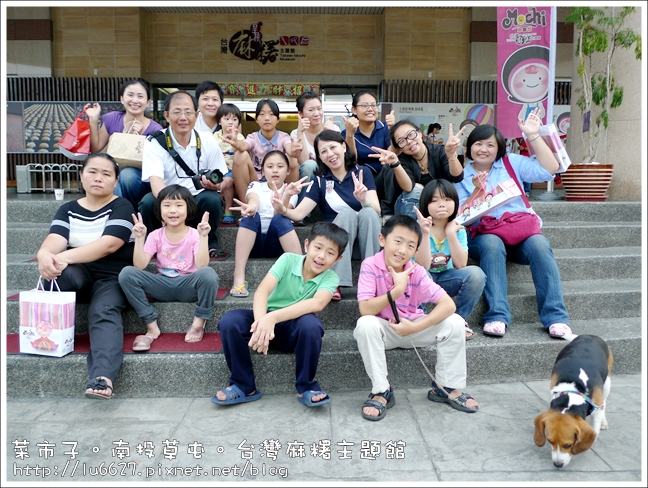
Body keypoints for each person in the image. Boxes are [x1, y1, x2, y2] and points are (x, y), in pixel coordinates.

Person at [454, 109, 572, 338]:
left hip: (518, 231)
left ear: (499, 148)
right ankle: (496, 315)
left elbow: (549, 169)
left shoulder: (511, 163)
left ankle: (556, 318)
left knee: (540, 244)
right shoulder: (461, 176)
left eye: (490, 145)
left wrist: (533, 135)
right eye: (478, 144)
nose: (484, 149)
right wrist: (478, 192)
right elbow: (459, 215)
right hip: (483, 234)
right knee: (492, 243)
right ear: (468, 148)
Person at [354, 215, 479, 421]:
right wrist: (397, 290)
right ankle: (382, 391)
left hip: (414, 327)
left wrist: (413, 328)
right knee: (365, 324)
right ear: (382, 239)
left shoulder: (417, 271)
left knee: (455, 322)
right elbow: (365, 309)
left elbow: (448, 305)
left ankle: (446, 387)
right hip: (385, 330)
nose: (402, 250)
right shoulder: (370, 265)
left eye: (410, 245)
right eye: (398, 241)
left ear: (416, 251)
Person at [212, 222, 349, 407]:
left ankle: (306, 387)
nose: (321, 256)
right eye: (318, 247)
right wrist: (261, 323)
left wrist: (273, 318)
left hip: (293, 329)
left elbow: (317, 303)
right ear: (307, 245)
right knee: (230, 321)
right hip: (264, 318)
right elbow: (262, 291)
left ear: (338, 259)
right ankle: (244, 385)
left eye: (330, 253)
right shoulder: (288, 260)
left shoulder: (331, 278)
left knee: (311, 325)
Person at [36, 153, 135, 399]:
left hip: (113, 277)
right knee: (58, 273)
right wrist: (44, 254)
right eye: (92, 172)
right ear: (81, 176)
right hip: (80, 274)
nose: (98, 178)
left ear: (116, 181)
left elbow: (108, 245)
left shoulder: (122, 206)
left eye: (106, 174)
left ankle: (103, 377)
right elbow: (56, 239)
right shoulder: (68, 209)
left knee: (103, 310)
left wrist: (61, 257)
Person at [270, 130, 382, 300]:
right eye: (323, 151)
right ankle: (335, 281)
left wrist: (364, 199)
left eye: (333, 147)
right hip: (337, 247)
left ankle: (372, 279)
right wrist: (283, 204)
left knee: (368, 212)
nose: (330, 154)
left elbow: (377, 210)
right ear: (320, 158)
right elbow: (299, 214)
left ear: (343, 147)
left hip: (366, 244)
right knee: (347, 214)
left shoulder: (362, 172)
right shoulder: (319, 180)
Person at [118, 185, 220, 350]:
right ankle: (151, 324)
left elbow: (202, 265)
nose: (173, 210)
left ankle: (199, 322)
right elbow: (140, 265)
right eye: (167, 205)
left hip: (188, 286)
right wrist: (139, 238)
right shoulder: (155, 235)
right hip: (162, 285)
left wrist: (203, 237)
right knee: (127, 273)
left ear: (188, 208)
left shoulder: (195, 234)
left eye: (179, 205)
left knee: (209, 274)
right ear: (159, 209)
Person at [139, 90, 228, 257]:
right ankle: (155, 244)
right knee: (148, 202)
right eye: (177, 112)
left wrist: (216, 185)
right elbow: (156, 183)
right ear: (166, 115)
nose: (183, 117)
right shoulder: (154, 142)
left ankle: (208, 243)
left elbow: (224, 179)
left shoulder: (208, 140)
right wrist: (173, 206)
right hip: (168, 197)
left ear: (196, 115)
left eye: (188, 112)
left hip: (198, 198)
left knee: (212, 199)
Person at [414, 180, 486, 341]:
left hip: (446, 278)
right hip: (420, 280)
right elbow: (422, 266)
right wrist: (425, 233)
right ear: (425, 204)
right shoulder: (417, 228)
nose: (441, 204)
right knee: (421, 273)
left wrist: (451, 233)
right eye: (434, 200)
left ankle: (458, 320)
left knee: (476, 274)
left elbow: (461, 264)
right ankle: (420, 320)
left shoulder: (458, 229)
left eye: (447, 199)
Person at [228, 151, 302, 298]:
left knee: (281, 218)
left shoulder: (290, 190)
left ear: (288, 171)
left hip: (277, 243)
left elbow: (280, 214)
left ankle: (300, 273)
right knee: (250, 217)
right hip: (253, 242)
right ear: (262, 170)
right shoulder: (255, 186)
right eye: (270, 166)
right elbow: (253, 200)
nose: (275, 170)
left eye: (280, 166)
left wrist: (283, 198)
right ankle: (239, 276)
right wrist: (251, 207)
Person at [84, 79, 163, 210]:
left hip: (140, 182)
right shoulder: (112, 119)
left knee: (127, 175)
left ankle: (124, 212)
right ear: (122, 99)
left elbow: (156, 164)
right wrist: (93, 119)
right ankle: (121, 214)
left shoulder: (155, 129)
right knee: (113, 179)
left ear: (148, 102)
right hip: (115, 176)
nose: (135, 100)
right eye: (130, 95)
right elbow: (96, 149)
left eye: (140, 96)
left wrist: (135, 138)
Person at [377, 120, 464, 220]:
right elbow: (409, 188)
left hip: (438, 203)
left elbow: (457, 177)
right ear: (400, 149)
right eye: (402, 141)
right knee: (416, 189)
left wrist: (451, 155)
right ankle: (410, 227)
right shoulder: (402, 160)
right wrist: (396, 163)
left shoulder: (439, 150)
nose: (409, 141)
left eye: (411, 135)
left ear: (419, 133)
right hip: (410, 208)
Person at [227, 99, 302, 201]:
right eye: (262, 114)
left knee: (292, 158)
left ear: (278, 119)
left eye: (271, 114)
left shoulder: (283, 137)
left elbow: (289, 147)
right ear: (256, 119)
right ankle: (247, 204)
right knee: (240, 155)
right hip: (256, 181)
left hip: (279, 182)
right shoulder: (253, 137)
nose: (267, 118)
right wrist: (236, 142)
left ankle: (287, 201)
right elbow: (244, 146)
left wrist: (293, 150)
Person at [290, 91, 340, 204]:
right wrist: (300, 133)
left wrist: (332, 134)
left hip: (330, 174)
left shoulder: (333, 128)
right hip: (309, 179)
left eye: (319, 108)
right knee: (310, 165)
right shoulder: (295, 133)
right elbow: (304, 163)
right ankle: (303, 209)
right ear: (300, 114)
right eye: (311, 110)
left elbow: (340, 158)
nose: (317, 113)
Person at [341, 90, 395, 175]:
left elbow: (393, 154)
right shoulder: (345, 133)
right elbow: (351, 160)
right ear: (354, 110)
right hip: (360, 176)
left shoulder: (385, 128)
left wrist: (392, 129)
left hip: (385, 175)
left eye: (373, 105)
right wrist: (350, 134)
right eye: (364, 105)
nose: (370, 109)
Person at [213, 103, 244, 225]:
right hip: (218, 170)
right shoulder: (214, 136)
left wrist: (234, 140)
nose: (230, 122)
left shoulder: (240, 137)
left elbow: (239, 153)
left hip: (233, 171)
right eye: (226, 119)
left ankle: (228, 211)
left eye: (234, 119)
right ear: (219, 122)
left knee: (229, 181)